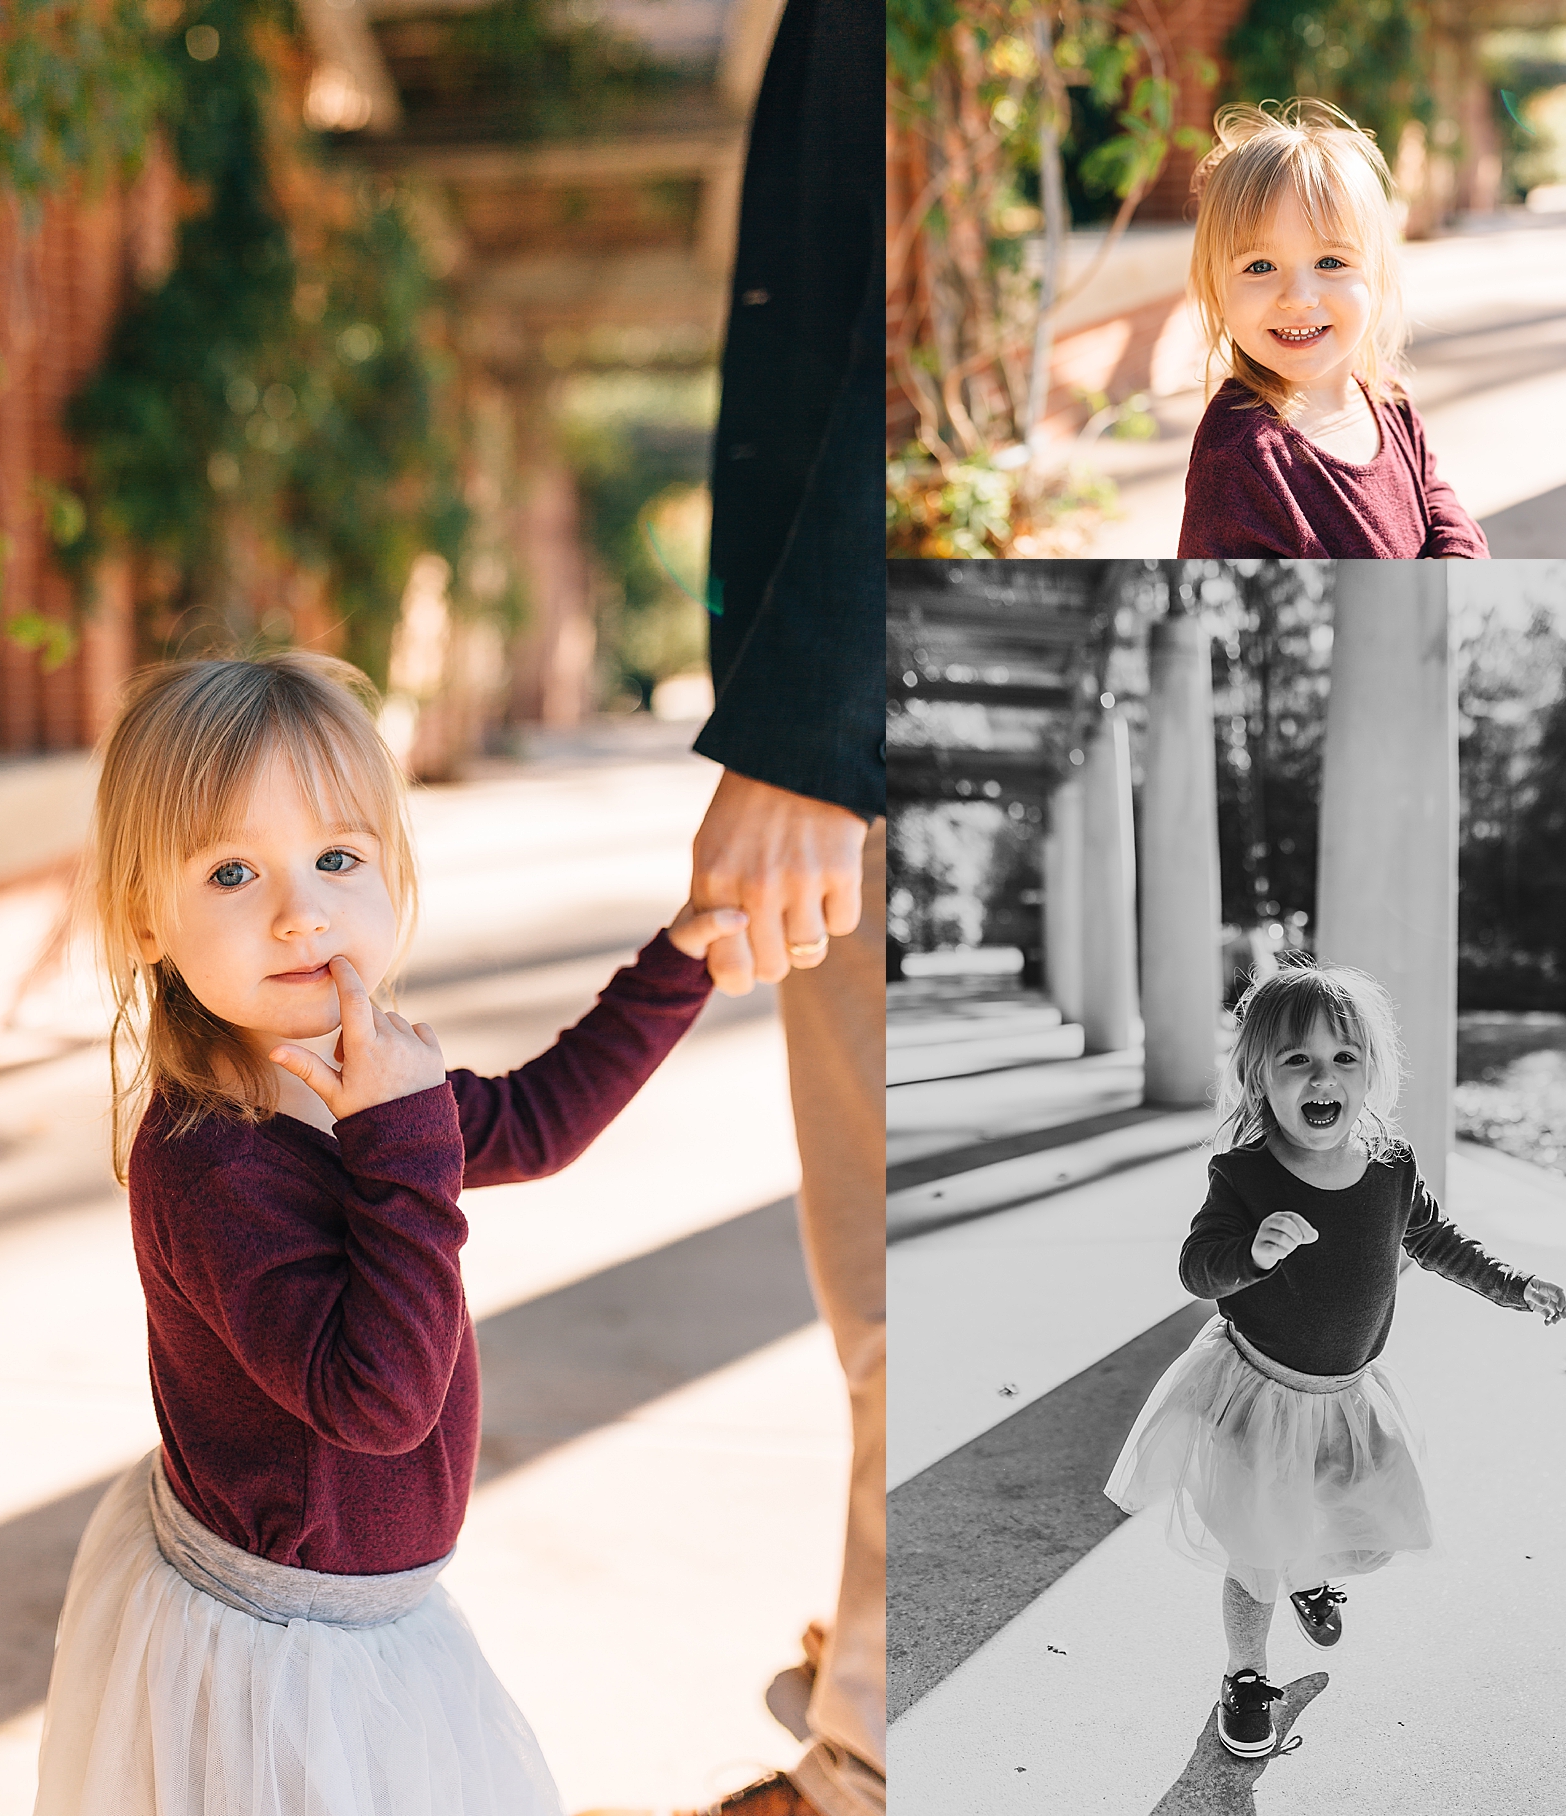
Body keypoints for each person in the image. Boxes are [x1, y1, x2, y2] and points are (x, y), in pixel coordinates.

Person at [32, 652, 751, 1816]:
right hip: (280, 1658)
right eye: (230, 870)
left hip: (357, 1621)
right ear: (142, 919)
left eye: (335, 858)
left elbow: (537, 1121)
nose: (298, 910)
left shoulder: (349, 1075)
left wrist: (682, 962)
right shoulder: (211, 1159)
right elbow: (379, 1402)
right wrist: (402, 1129)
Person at [605, 0, 885, 1808]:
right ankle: (891, 1649)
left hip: (894, 705)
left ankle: (872, 1753)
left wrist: (813, 732)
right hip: (895, 694)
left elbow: (947, 320)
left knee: (899, 1281)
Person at [1103, 959, 1566, 1761]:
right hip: (1257, 1390)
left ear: (1370, 1073)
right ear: (1259, 1078)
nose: (1324, 1077)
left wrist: (1511, 1285)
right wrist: (1250, 1250)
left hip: (1346, 1395)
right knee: (1256, 1550)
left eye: (1343, 1059)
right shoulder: (1244, 1174)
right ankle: (1246, 1679)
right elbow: (1197, 1266)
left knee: (1351, 1507)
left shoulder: (1389, 1166)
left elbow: (1433, 1240)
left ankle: (1308, 1568)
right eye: (1298, 1061)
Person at [1175, 99, 1489, 559]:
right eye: (1260, 266)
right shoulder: (1238, 459)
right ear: (1214, 287)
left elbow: (1433, 492)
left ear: (1378, 275)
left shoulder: (1386, 395)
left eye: (1330, 262)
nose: (1299, 296)